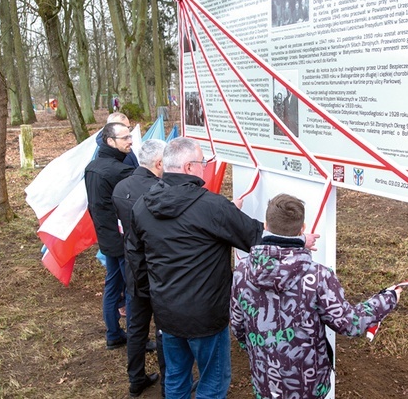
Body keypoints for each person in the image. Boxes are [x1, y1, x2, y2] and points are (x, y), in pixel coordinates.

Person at [130, 138, 317, 399]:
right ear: (188, 167)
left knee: (175, 376)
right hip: (206, 315)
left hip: (166, 311)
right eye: (202, 162)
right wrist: (299, 239)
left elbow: (136, 260)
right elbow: (255, 236)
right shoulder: (212, 207)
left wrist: (152, 298)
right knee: (213, 383)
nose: (205, 167)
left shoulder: (143, 205)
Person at [231, 193, 401, 399]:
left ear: (265, 225)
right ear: (302, 229)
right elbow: (350, 323)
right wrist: (388, 298)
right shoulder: (318, 276)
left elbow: (238, 325)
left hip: (265, 381)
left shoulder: (242, 270)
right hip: (308, 385)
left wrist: (260, 352)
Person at [113, 139, 166, 397]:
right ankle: (170, 383)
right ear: (159, 163)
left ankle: (136, 379)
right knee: (164, 328)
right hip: (158, 269)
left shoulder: (121, 187)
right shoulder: (161, 190)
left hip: (134, 267)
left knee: (136, 327)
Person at [85, 121, 135, 350]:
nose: (130, 141)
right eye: (125, 138)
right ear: (109, 141)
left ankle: (113, 334)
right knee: (132, 290)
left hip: (106, 238)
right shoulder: (120, 171)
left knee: (113, 286)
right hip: (122, 240)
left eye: (130, 136)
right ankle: (137, 338)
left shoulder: (93, 166)